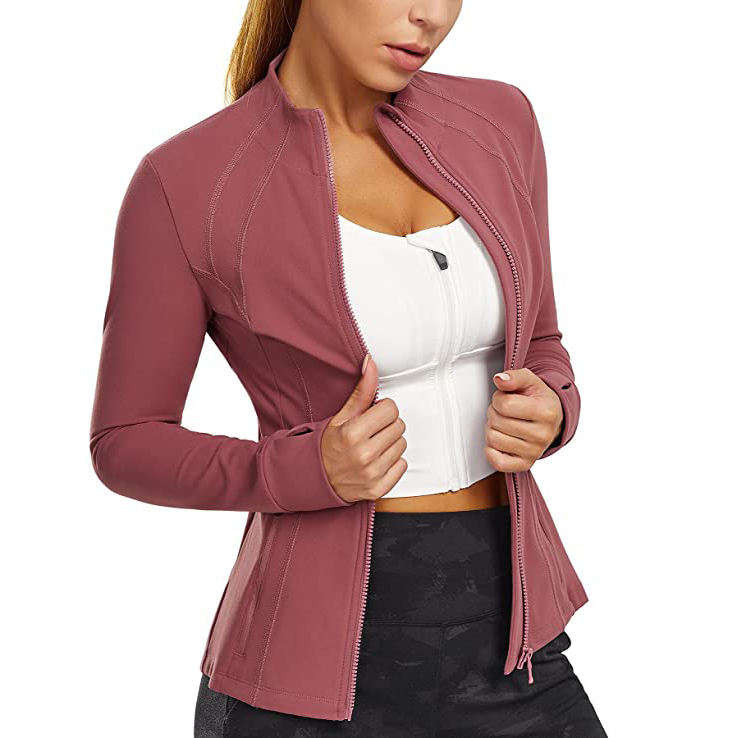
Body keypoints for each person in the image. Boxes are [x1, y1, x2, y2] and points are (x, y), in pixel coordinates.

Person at [89, 1, 607, 735]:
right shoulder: (187, 180)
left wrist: (553, 407)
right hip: (306, 675)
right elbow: (124, 441)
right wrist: (304, 470)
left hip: (514, 638)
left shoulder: (499, 122)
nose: (430, 15)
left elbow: (541, 337)